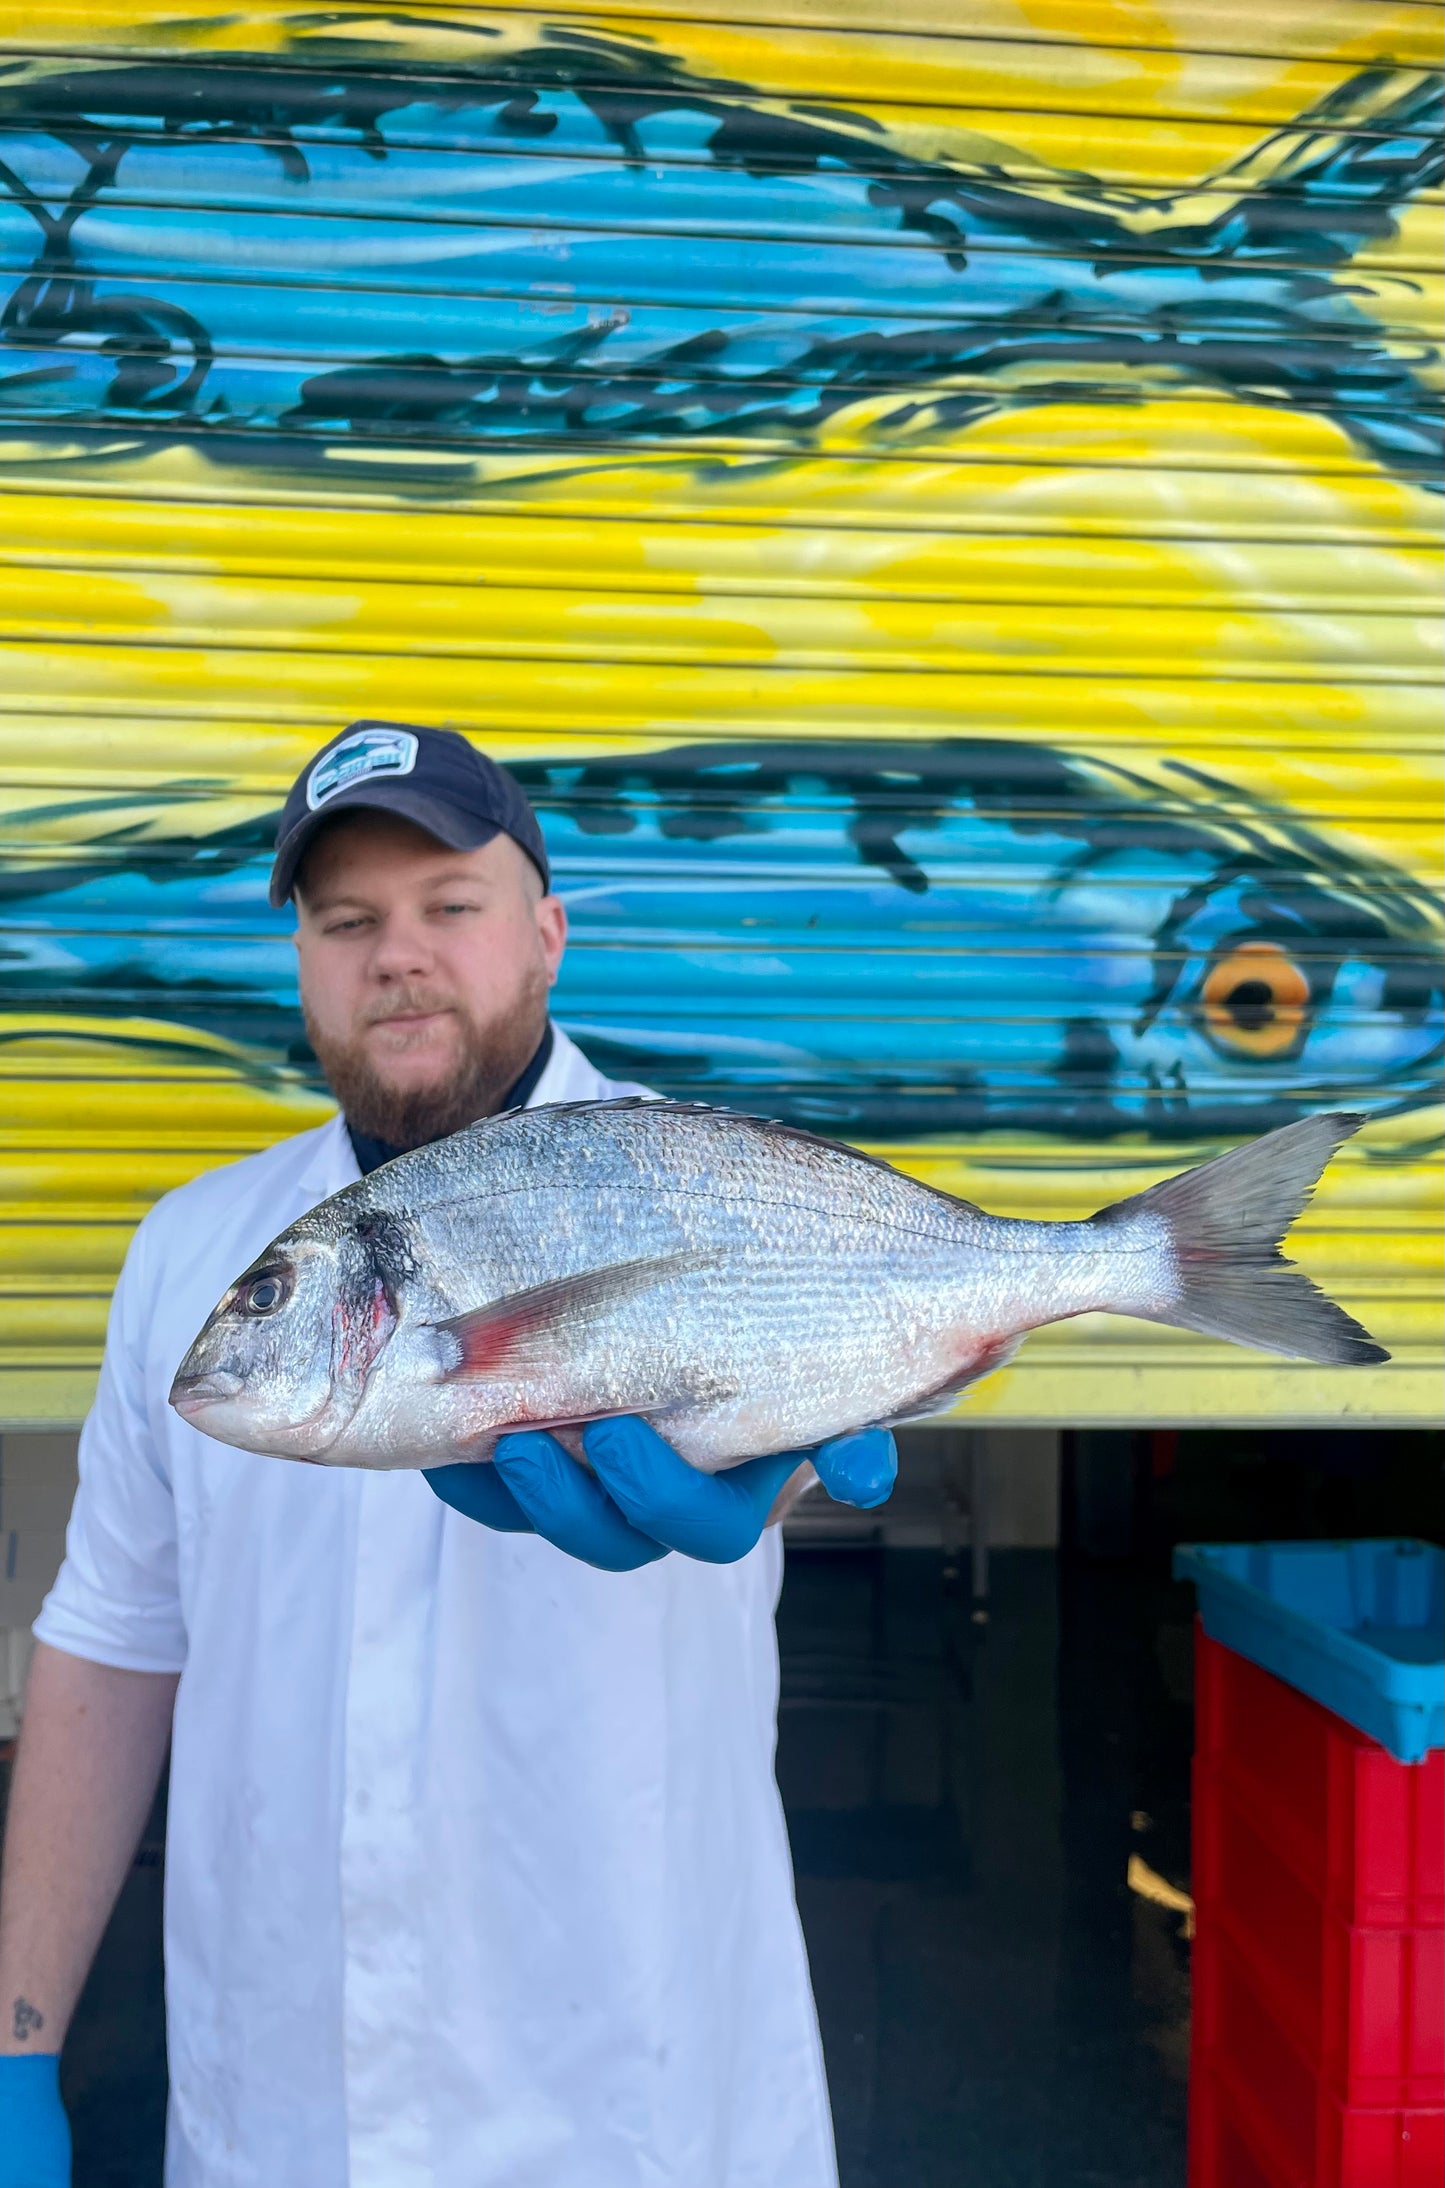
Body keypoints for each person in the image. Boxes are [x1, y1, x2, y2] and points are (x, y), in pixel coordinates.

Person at [0, 722, 895, 2187]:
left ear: (543, 933)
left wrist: (806, 1458)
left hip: (640, 2099)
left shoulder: (715, 1180)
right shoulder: (200, 1259)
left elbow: (823, 1400)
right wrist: (18, 2043)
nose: (395, 957)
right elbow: (112, 1638)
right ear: (301, 957)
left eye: (447, 907)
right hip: (283, 2106)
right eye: (347, 921)